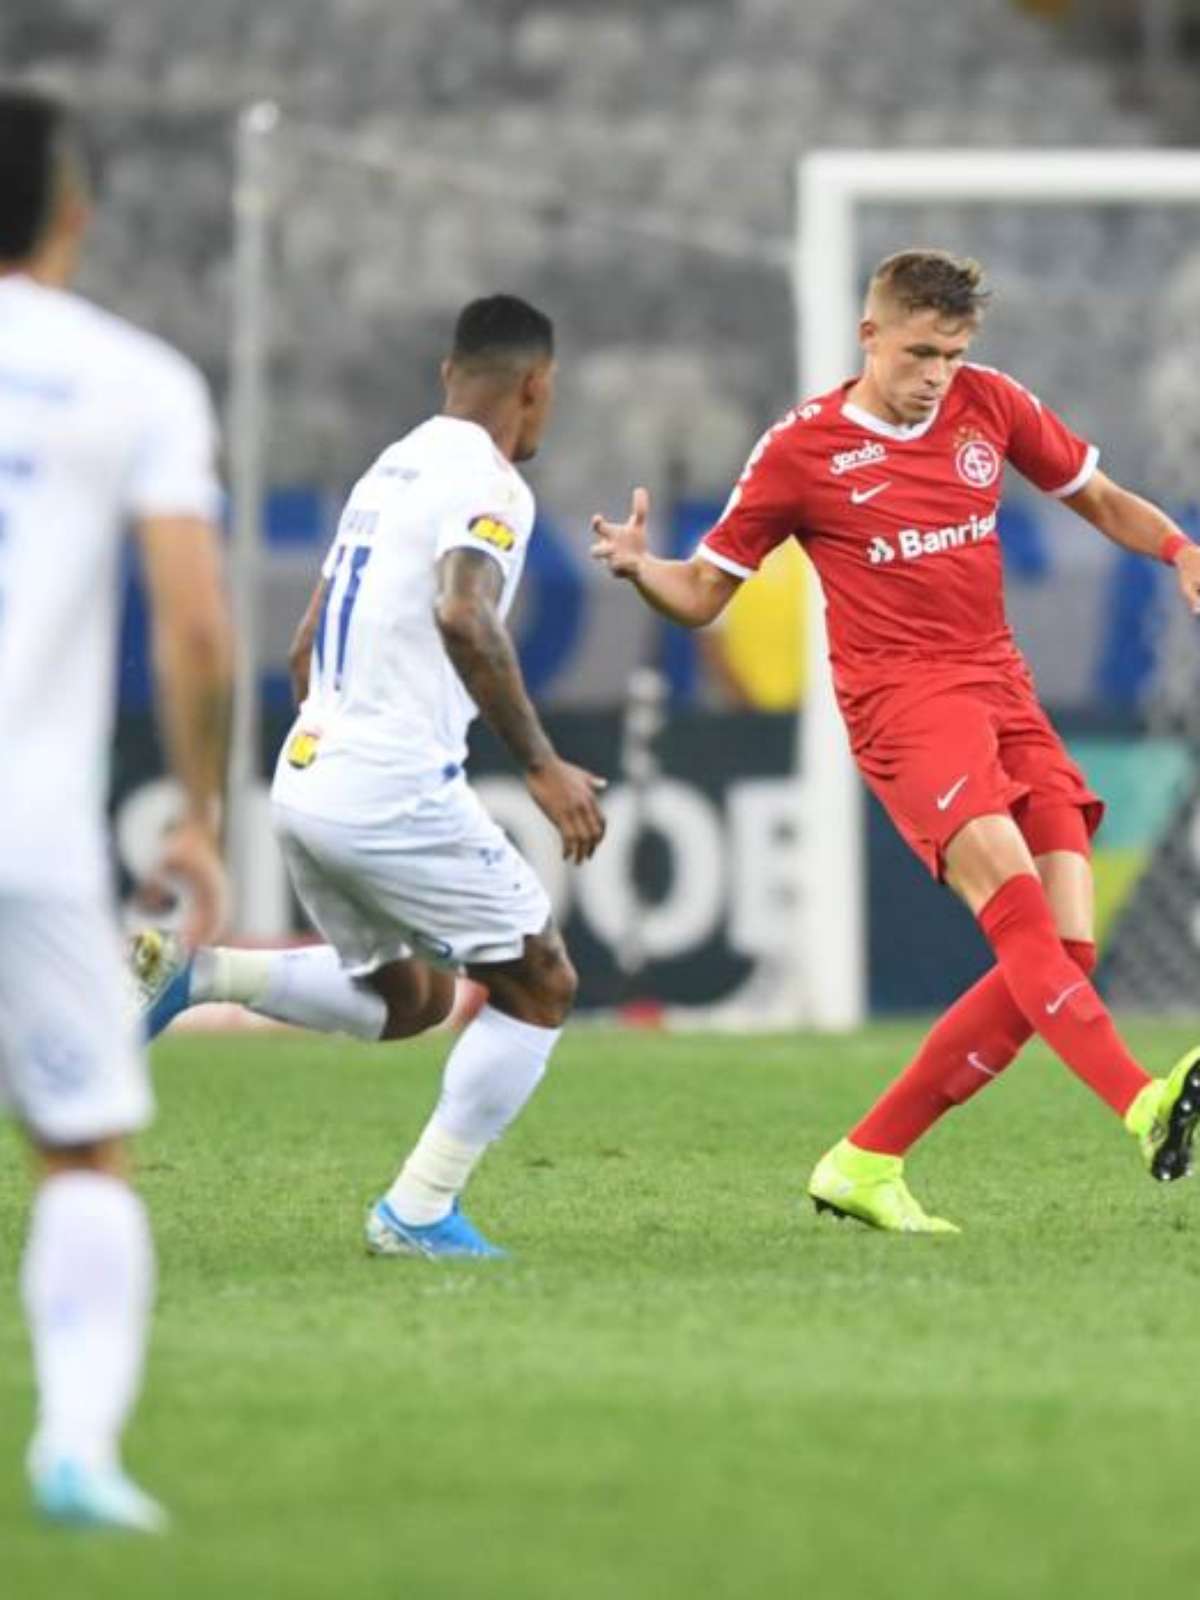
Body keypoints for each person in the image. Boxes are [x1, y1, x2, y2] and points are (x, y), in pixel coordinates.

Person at [590, 248, 1200, 1234]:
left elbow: (1096, 494)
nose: (935, 376)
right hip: (907, 709)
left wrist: (1179, 546)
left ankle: (866, 1157)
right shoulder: (802, 450)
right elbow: (704, 594)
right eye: (919, 352)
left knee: (1066, 951)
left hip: (1003, 688)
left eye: (953, 354)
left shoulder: (988, 406)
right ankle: (1141, 1102)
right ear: (870, 335)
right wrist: (639, 564)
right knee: (1020, 922)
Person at [137, 294, 606, 1258]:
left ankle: (196, 974)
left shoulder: (391, 466)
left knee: (415, 1002)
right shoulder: (490, 484)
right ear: (537, 387)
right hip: (387, 785)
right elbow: (465, 616)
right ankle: (419, 1210)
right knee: (543, 982)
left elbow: (306, 645)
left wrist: (351, 733)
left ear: (447, 375)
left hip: (310, 774)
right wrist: (543, 766)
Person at [0, 86, 232, 1526]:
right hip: (28, 835)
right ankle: (77, 1446)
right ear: (73, 211)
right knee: (83, 1146)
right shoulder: (132, 379)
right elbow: (195, 624)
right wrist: (198, 810)